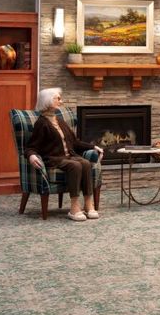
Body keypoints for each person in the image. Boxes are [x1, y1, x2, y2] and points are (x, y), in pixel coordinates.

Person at [27, 88, 103, 222]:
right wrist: (31, 156)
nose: (61, 102)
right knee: (75, 165)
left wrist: (93, 147)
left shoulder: (60, 121)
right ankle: (74, 207)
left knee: (85, 163)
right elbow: (31, 146)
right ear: (48, 101)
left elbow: (75, 142)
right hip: (53, 158)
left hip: (68, 156)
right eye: (58, 99)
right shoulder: (41, 123)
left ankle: (88, 204)